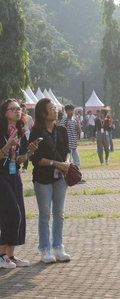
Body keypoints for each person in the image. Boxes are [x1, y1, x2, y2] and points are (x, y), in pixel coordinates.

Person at [29, 98, 71, 264]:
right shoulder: (36, 132)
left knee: (59, 214)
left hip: (61, 177)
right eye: (51, 108)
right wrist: (56, 163)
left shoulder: (61, 130)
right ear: (42, 113)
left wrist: (66, 162)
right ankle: (45, 249)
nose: (55, 110)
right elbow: (36, 159)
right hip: (43, 178)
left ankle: (58, 246)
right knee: (45, 214)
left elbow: (67, 150)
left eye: (55, 107)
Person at [0, 99, 38, 269]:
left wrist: (29, 152)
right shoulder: (2, 131)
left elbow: (20, 158)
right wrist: (7, 145)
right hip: (1, 175)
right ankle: (1, 256)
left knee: (19, 214)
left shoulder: (20, 131)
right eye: (13, 109)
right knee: (12, 213)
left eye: (19, 109)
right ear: (5, 112)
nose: (17, 111)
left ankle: (10, 256)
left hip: (14, 174)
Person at [59, 104, 85, 183]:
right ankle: (69, 178)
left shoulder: (74, 120)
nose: (71, 112)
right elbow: (61, 132)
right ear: (66, 111)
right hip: (67, 145)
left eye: (72, 110)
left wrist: (78, 124)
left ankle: (77, 177)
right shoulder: (64, 120)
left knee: (77, 161)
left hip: (74, 144)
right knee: (68, 162)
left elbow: (79, 132)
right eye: (70, 110)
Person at [20, 103, 34, 172]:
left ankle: (25, 167)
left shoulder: (29, 117)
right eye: (21, 108)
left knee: (26, 151)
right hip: (19, 136)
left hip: (27, 136)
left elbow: (32, 127)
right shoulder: (18, 117)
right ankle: (16, 166)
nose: (22, 109)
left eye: (24, 108)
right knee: (18, 151)